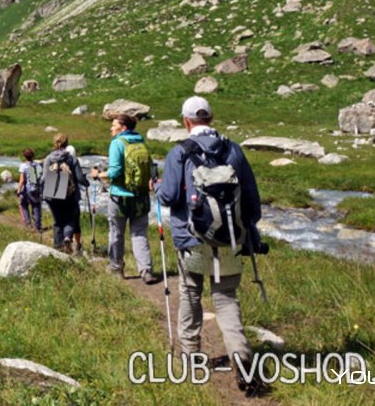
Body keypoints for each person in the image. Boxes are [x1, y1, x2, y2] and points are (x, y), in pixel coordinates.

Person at [156, 96, 265, 396]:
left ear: (186, 121)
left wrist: (159, 188)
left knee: (190, 293)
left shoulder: (179, 152)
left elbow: (167, 197)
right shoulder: (234, 150)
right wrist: (247, 231)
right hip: (230, 238)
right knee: (226, 298)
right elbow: (253, 203)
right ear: (211, 118)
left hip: (190, 238)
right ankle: (242, 359)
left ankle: (190, 357)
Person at [94, 113, 159, 283]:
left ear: (122, 127)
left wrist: (99, 174)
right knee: (139, 233)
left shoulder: (117, 143)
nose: (111, 127)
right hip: (141, 196)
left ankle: (116, 268)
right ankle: (146, 270)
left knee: (116, 233)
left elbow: (114, 171)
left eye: (113, 124)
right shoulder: (140, 141)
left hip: (119, 197)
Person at [42, 134, 86, 253]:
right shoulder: (72, 159)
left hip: (52, 194)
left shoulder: (49, 158)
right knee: (70, 219)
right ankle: (67, 237)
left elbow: (44, 178)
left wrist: (41, 192)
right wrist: (86, 183)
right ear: (67, 143)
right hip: (70, 195)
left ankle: (58, 248)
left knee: (57, 222)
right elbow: (80, 178)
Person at [17, 148, 43, 232]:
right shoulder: (37, 165)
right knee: (36, 207)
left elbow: (22, 180)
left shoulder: (23, 166)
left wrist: (18, 190)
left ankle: (28, 223)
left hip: (27, 189)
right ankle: (37, 227)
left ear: (24, 157)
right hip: (36, 188)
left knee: (24, 205)